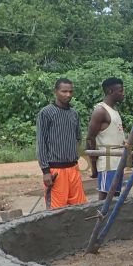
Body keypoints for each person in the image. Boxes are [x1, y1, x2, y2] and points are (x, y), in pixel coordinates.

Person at [36, 78, 87, 210]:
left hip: (73, 168)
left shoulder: (74, 113)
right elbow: (41, 142)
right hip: (56, 171)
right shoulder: (46, 113)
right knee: (56, 211)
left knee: (80, 208)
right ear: (56, 92)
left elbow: (78, 138)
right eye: (64, 91)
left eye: (70, 91)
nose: (68, 95)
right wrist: (45, 171)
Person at [86, 77, 126, 201]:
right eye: (121, 91)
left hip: (117, 162)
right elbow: (90, 138)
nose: (123, 93)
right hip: (107, 164)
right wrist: (94, 166)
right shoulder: (100, 111)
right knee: (104, 199)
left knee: (115, 198)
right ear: (110, 91)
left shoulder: (114, 111)